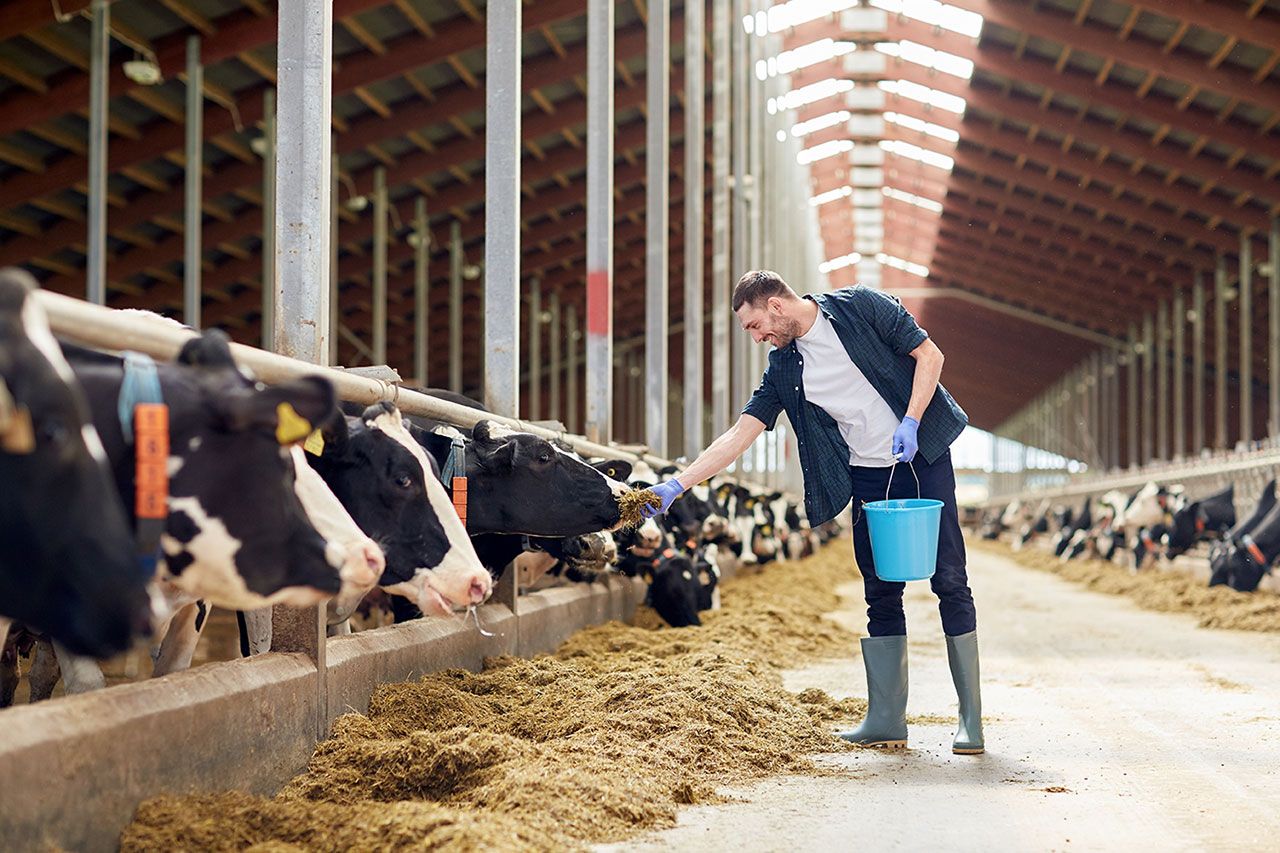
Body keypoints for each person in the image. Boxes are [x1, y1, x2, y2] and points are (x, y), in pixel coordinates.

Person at [642, 270, 982, 755]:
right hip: (866, 474)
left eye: (755, 325)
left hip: (922, 456)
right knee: (881, 590)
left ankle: (970, 719)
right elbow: (740, 434)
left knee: (949, 577)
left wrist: (911, 419)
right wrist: (679, 483)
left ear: (775, 307)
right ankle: (887, 718)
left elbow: (930, 355)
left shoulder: (862, 306)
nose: (758, 337)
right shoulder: (784, 369)